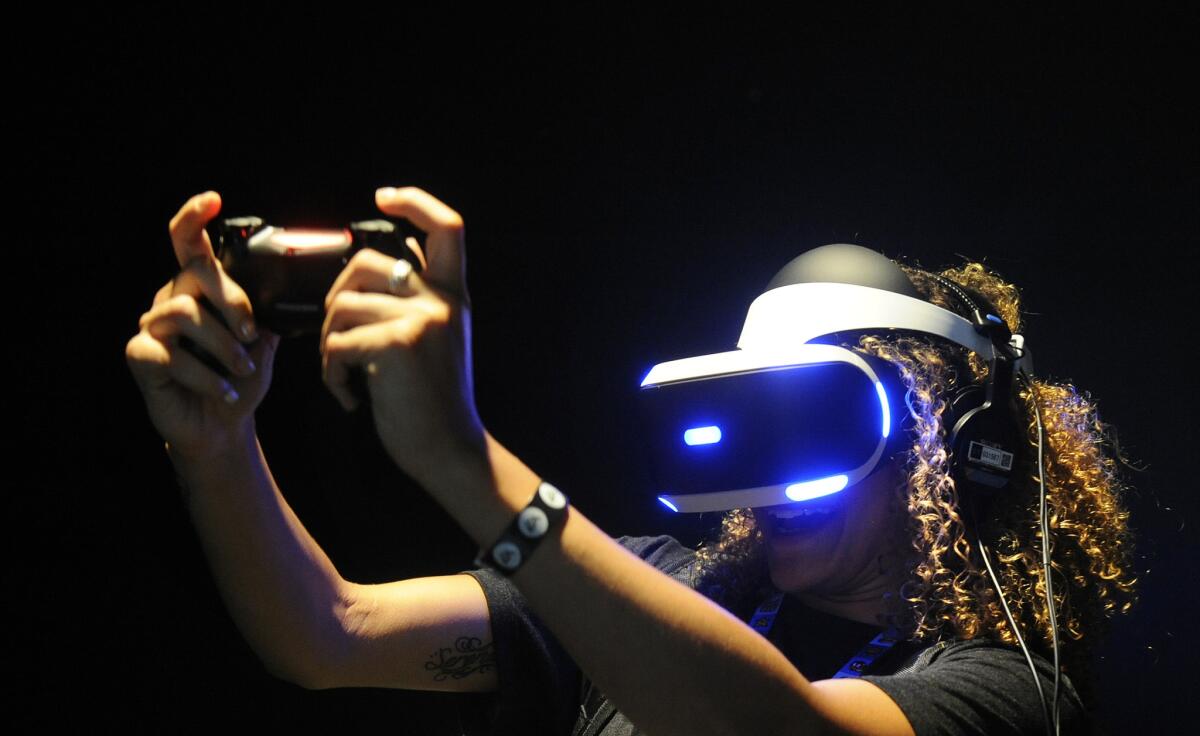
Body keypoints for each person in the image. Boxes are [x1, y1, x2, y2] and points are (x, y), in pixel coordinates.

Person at [126, 187, 1137, 735]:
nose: (769, 474)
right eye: (746, 420)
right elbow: (327, 632)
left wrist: (471, 466)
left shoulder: (1010, 693)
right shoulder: (654, 580)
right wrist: (215, 446)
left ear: (955, 452)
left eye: (812, 424)